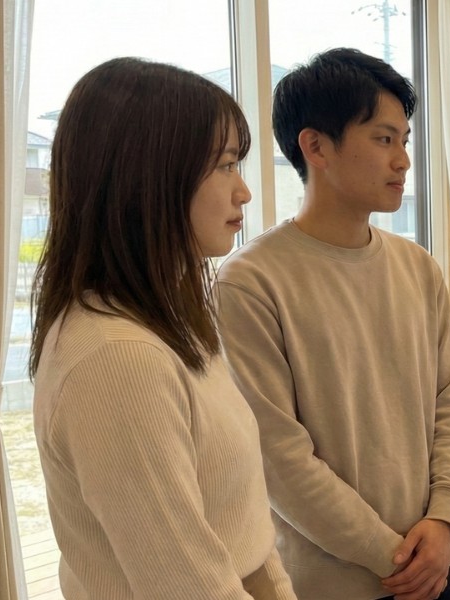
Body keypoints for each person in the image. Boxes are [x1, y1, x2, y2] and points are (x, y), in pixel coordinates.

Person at [29, 58, 295, 599]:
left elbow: (244, 527)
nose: (243, 191)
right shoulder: (116, 359)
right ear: (148, 177)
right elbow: (187, 584)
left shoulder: (168, 319)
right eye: (225, 165)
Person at [215, 47, 450, 600]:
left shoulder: (418, 267)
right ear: (315, 146)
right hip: (336, 583)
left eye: (405, 140)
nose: (403, 161)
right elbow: (278, 457)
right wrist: (397, 558)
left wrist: (445, 519)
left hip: (434, 561)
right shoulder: (250, 282)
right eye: (384, 139)